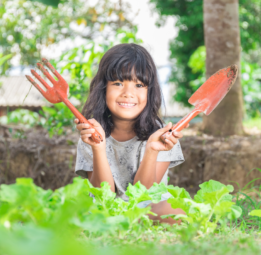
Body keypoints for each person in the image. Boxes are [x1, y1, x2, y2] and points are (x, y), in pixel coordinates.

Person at [74, 43, 188, 224]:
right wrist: (98, 148)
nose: (128, 93)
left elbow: (145, 195)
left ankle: (127, 222)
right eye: (118, 83)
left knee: (179, 214)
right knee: (74, 213)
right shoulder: (91, 133)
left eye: (139, 85)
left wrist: (152, 149)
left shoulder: (162, 135)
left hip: (147, 207)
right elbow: (103, 195)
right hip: (106, 210)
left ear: (150, 92)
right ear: (103, 89)